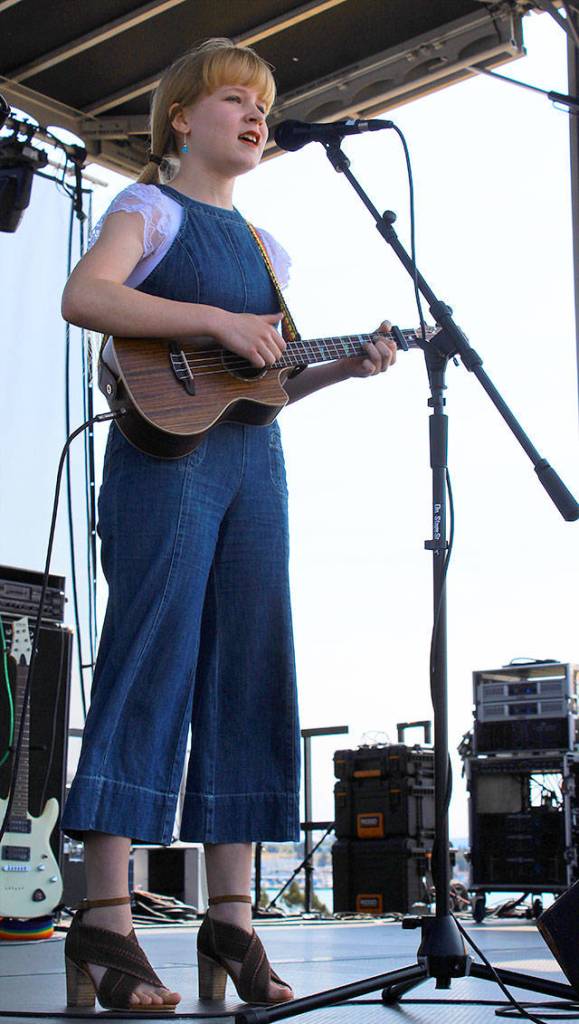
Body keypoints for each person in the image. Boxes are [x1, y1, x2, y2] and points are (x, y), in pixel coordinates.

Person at [60, 37, 397, 1013]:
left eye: (264, 102)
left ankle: (233, 920)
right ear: (182, 119)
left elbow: (267, 386)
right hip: (164, 462)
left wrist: (341, 363)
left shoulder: (267, 249)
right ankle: (107, 918)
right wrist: (211, 321)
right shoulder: (149, 207)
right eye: (235, 99)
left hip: (254, 463)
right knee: (151, 660)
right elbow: (86, 295)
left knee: (251, 663)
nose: (256, 114)